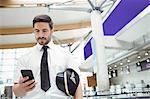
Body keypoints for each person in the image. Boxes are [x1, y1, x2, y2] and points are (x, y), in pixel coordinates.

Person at [12, 14, 83, 99]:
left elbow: (77, 84)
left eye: (44, 31)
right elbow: (16, 92)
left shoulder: (65, 54)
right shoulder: (24, 57)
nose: (40, 35)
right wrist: (21, 88)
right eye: (37, 31)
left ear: (52, 30)